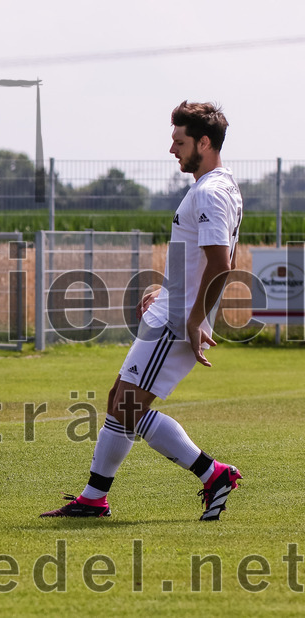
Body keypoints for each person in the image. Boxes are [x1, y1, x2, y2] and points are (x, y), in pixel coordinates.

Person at [41, 101, 243, 521]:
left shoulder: (209, 191)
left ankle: (213, 474)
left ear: (204, 142)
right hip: (174, 309)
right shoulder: (219, 186)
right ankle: (94, 498)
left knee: (128, 407)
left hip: (176, 320)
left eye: (180, 141)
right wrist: (165, 289)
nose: (172, 149)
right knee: (119, 400)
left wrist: (192, 318)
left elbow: (222, 264)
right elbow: (205, 261)